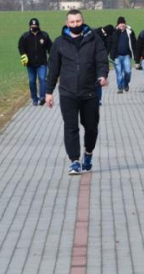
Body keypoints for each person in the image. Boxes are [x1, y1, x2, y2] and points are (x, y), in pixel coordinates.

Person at [45, 10, 108, 175]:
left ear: (83, 21)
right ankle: (74, 161)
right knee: (71, 127)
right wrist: (48, 92)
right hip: (67, 93)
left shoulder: (94, 39)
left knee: (91, 127)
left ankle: (88, 153)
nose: (75, 25)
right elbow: (53, 69)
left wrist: (102, 75)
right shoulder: (59, 43)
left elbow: (101, 60)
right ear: (67, 24)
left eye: (78, 21)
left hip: (89, 92)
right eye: (72, 22)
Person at [18, 17, 52, 106]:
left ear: (38, 26)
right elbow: (20, 46)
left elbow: (50, 47)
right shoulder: (25, 36)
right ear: (29, 26)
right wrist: (23, 55)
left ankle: (42, 97)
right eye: (32, 25)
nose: (34, 27)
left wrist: (51, 56)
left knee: (42, 79)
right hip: (30, 64)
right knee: (32, 81)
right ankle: (34, 98)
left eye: (35, 25)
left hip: (42, 63)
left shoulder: (44, 35)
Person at [108, 16, 136, 94]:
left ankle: (126, 84)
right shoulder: (113, 32)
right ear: (118, 24)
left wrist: (136, 54)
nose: (122, 25)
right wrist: (107, 54)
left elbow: (134, 43)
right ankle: (120, 88)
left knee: (128, 72)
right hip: (116, 56)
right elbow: (109, 44)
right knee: (119, 73)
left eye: (123, 23)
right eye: (120, 23)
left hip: (126, 55)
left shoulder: (130, 32)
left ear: (125, 23)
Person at [93, 24, 114, 106]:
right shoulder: (94, 33)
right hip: (90, 62)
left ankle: (98, 99)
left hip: (99, 63)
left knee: (98, 81)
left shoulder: (107, 38)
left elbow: (107, 50)